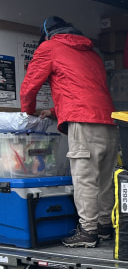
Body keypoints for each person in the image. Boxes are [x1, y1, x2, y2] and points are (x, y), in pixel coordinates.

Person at [20, 16, 118, 248]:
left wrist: (28, 113)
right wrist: (54, 112)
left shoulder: (50, 47)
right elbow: (85, 90)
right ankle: (104, 226)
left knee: (84, 178)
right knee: (105, 179)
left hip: (83, 123)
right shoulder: (92, 53)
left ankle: (87, 232)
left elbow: (29, 85)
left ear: (46, 34)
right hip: (109, 122)